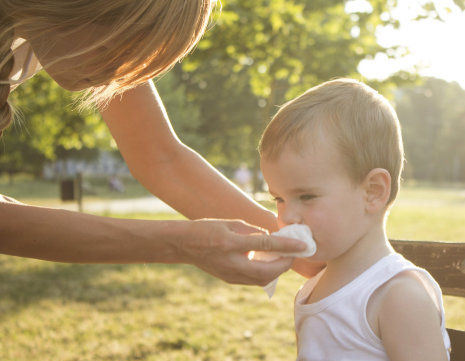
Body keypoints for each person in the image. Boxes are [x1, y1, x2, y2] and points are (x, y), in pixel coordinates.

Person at [0, 1, 320, 285]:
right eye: (114, 47)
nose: (119, 72)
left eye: (137, 57)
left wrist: (301, 250)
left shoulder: (61, 31)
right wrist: (180, 243)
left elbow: (159, 157)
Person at [259, 78, 452, 361]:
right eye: (279, 198)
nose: (288, 216)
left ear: (373, 192)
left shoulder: (397, 295)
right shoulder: (312, 289)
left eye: (306, 196)